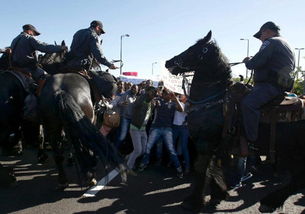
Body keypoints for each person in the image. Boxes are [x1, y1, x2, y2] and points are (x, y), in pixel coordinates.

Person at [241, 21, 295, 145]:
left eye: (261, 35)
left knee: (248, 104)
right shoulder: (286, 43)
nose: (260, 39)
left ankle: (251, 142)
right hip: (281, 85)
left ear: (268, 31)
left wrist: (248, 61)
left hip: (270, 86)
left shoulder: (271, 42)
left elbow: (257, 62)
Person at [138, 88, 184, 178]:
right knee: (148, 146)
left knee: (171, 149)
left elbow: (181, 109)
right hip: (156, 128)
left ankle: (179, 169)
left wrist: (176, 99)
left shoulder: (174, 103)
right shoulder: (158, 101)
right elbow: (150, 101)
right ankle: (143, 164)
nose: (166, 95)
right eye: (165, 93)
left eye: (167, 93)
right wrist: (153, 102)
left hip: (167, 129)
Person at [10, 24, 66, 90]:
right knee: (45, 76)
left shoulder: (15, 39)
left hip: (15, 67)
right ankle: (38, 95)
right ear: (30, 31)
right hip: (27, 67)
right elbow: (44, 47)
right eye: (34, 33)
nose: (34, 35)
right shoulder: (29, 38)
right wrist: (60, 48)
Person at [126, 86, 157, 174]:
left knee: (142, 150)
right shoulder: (142, 99)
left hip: (143, 129)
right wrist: (145, 95)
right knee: (138, 150)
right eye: (152, 92)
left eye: (154, 93)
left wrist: (154, 104)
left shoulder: (151, 102)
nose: (153, 94)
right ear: (147, 92)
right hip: (135, 128)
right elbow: (136, 105)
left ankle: (128, 157)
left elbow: (149, 115)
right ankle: (128, 168)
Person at [114, 84, 139, 149]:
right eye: (133, 88)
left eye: (136, 89)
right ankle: (115, 150)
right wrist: (123, 103)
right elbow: (118, 103)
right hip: (124, 118)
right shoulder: (126, 94)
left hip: (131, 119)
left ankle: (114, 148)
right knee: (122, 136)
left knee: (121, 135)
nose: (134, 90)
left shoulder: (136, 97)